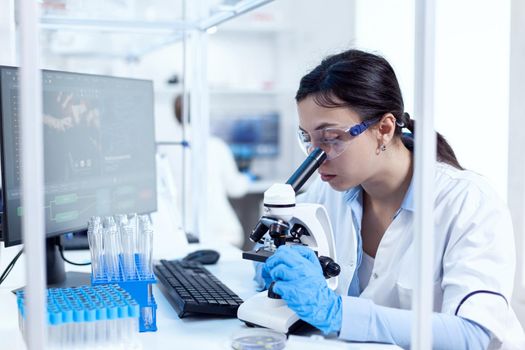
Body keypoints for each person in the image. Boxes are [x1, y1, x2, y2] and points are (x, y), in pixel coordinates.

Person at [254, 49, 525, 349]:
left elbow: (473, 335)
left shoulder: (467, 202)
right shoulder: (327, 194)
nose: (316, 159)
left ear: (383, 129)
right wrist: (279, 267)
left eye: (330, 138)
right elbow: (269, 249)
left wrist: (339, 313)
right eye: (307, 139)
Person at [173, 95, 250, 248]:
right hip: (222, 234)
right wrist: (247, 178)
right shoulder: (215, 145)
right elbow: (235, 189)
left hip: (182, 234)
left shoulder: (167, 148)